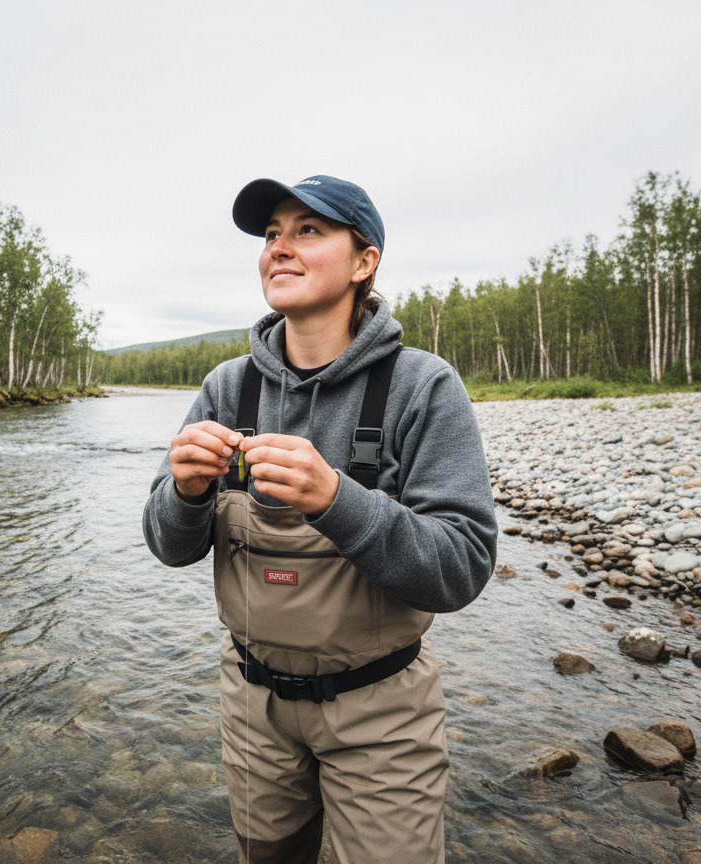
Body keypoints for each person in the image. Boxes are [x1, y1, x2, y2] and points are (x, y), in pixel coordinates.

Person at [142, 175, 497, 864]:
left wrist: (337, 498)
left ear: (364, 262)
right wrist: (183, 493)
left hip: (383, 713)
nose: (279, 247)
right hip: (252, 710)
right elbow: (166, 545)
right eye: (273, 234)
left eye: (308, 230)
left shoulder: (423, 387)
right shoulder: (226, 387)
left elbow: (462, 568)